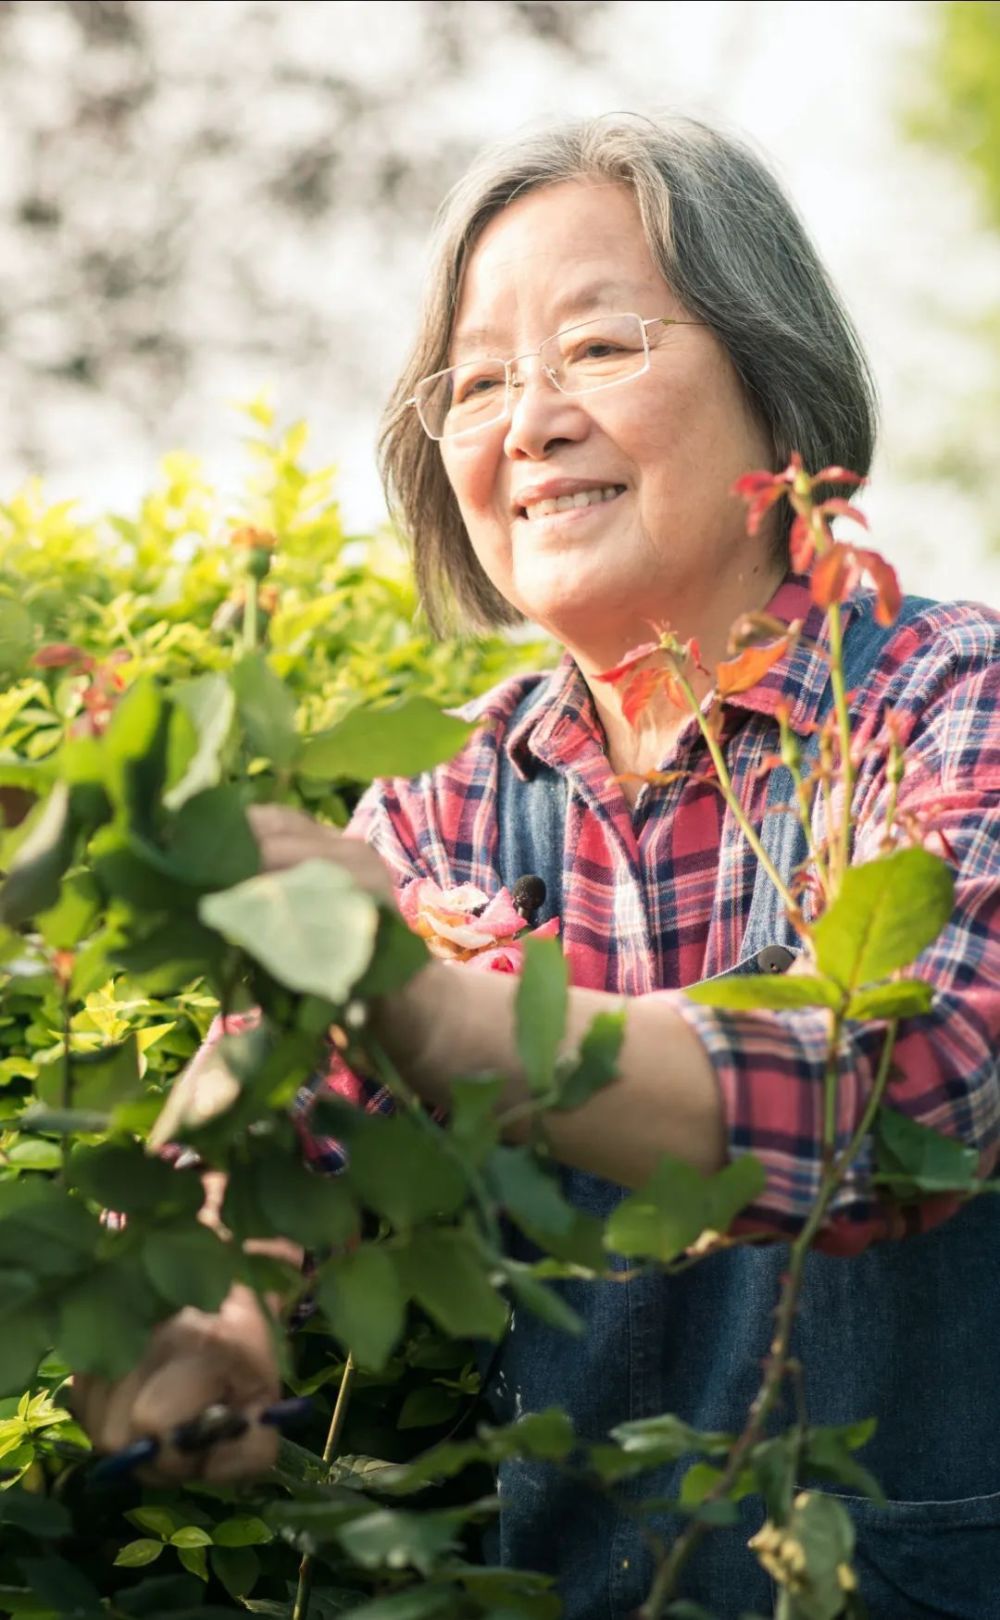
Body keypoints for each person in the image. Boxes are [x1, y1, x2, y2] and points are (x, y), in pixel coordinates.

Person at [74, 115, 1000, 1617]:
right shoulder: (452, 791)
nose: (531, 419)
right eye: (482, 382)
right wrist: (198, 1335)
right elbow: (267, 1125)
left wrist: (453, 1023)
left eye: (599, 347)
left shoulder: (949, 700)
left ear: (775, 385)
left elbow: (918, 1087)